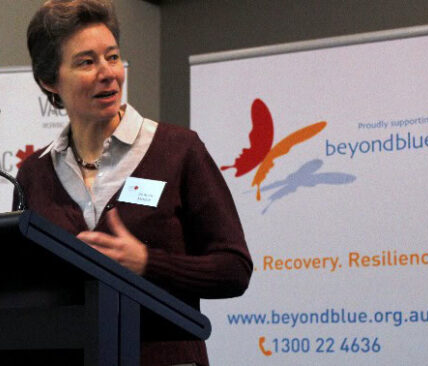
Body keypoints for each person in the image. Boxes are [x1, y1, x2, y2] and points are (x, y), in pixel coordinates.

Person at [18, 1, 252, 365]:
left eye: (112, 57)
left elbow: (234, 269)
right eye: (86, 62)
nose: (108, 73)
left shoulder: (179, 151)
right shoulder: (34, 173)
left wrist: (147, 263)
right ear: (50, 81)